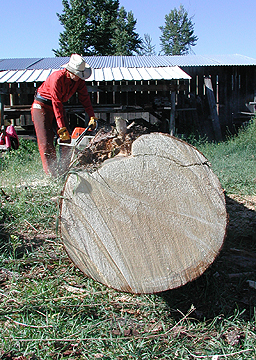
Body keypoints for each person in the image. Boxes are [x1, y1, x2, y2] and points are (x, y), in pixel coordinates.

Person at [31, 53, 97, 177]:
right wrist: (62, 128)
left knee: (68, 141)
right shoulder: (57, 78)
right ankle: (52, 176)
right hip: (42, 106)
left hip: (57, 107)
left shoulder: (79, 81)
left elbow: (85, 99)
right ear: (70, 71)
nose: (79, 77)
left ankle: (64, 171)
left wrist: (92, 116)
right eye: (77, 74)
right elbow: (56, 103)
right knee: (46, 143)